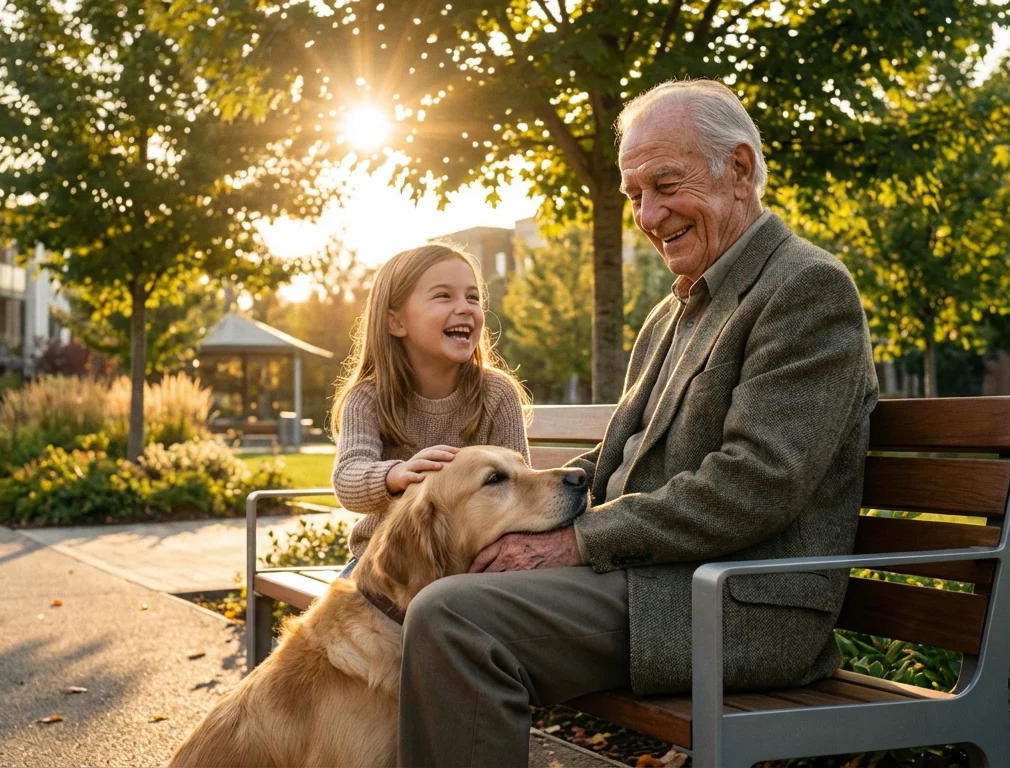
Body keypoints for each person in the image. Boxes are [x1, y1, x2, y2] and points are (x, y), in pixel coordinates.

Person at [397, 79, 879, 766]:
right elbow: (614, 455)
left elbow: (758, 481)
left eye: (666, 185)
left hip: (736, 606)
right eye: (634, 197)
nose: (650, 215)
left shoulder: (805, 288)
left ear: (738, 171)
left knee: (454, 620)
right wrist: (539, 514)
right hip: (656, 583)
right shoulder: (673, 310)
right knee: (440, 590)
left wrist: (578, 541)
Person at [330, 243, 531, 574]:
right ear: (396, 322)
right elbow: (348, 478)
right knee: (340, 621)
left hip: (469, 564)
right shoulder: (368, 397)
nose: (465, 308)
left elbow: (518, 485)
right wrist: (395, 476)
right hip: (386, 565)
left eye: (473, 297)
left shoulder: (497, 394)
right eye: (443, 296)